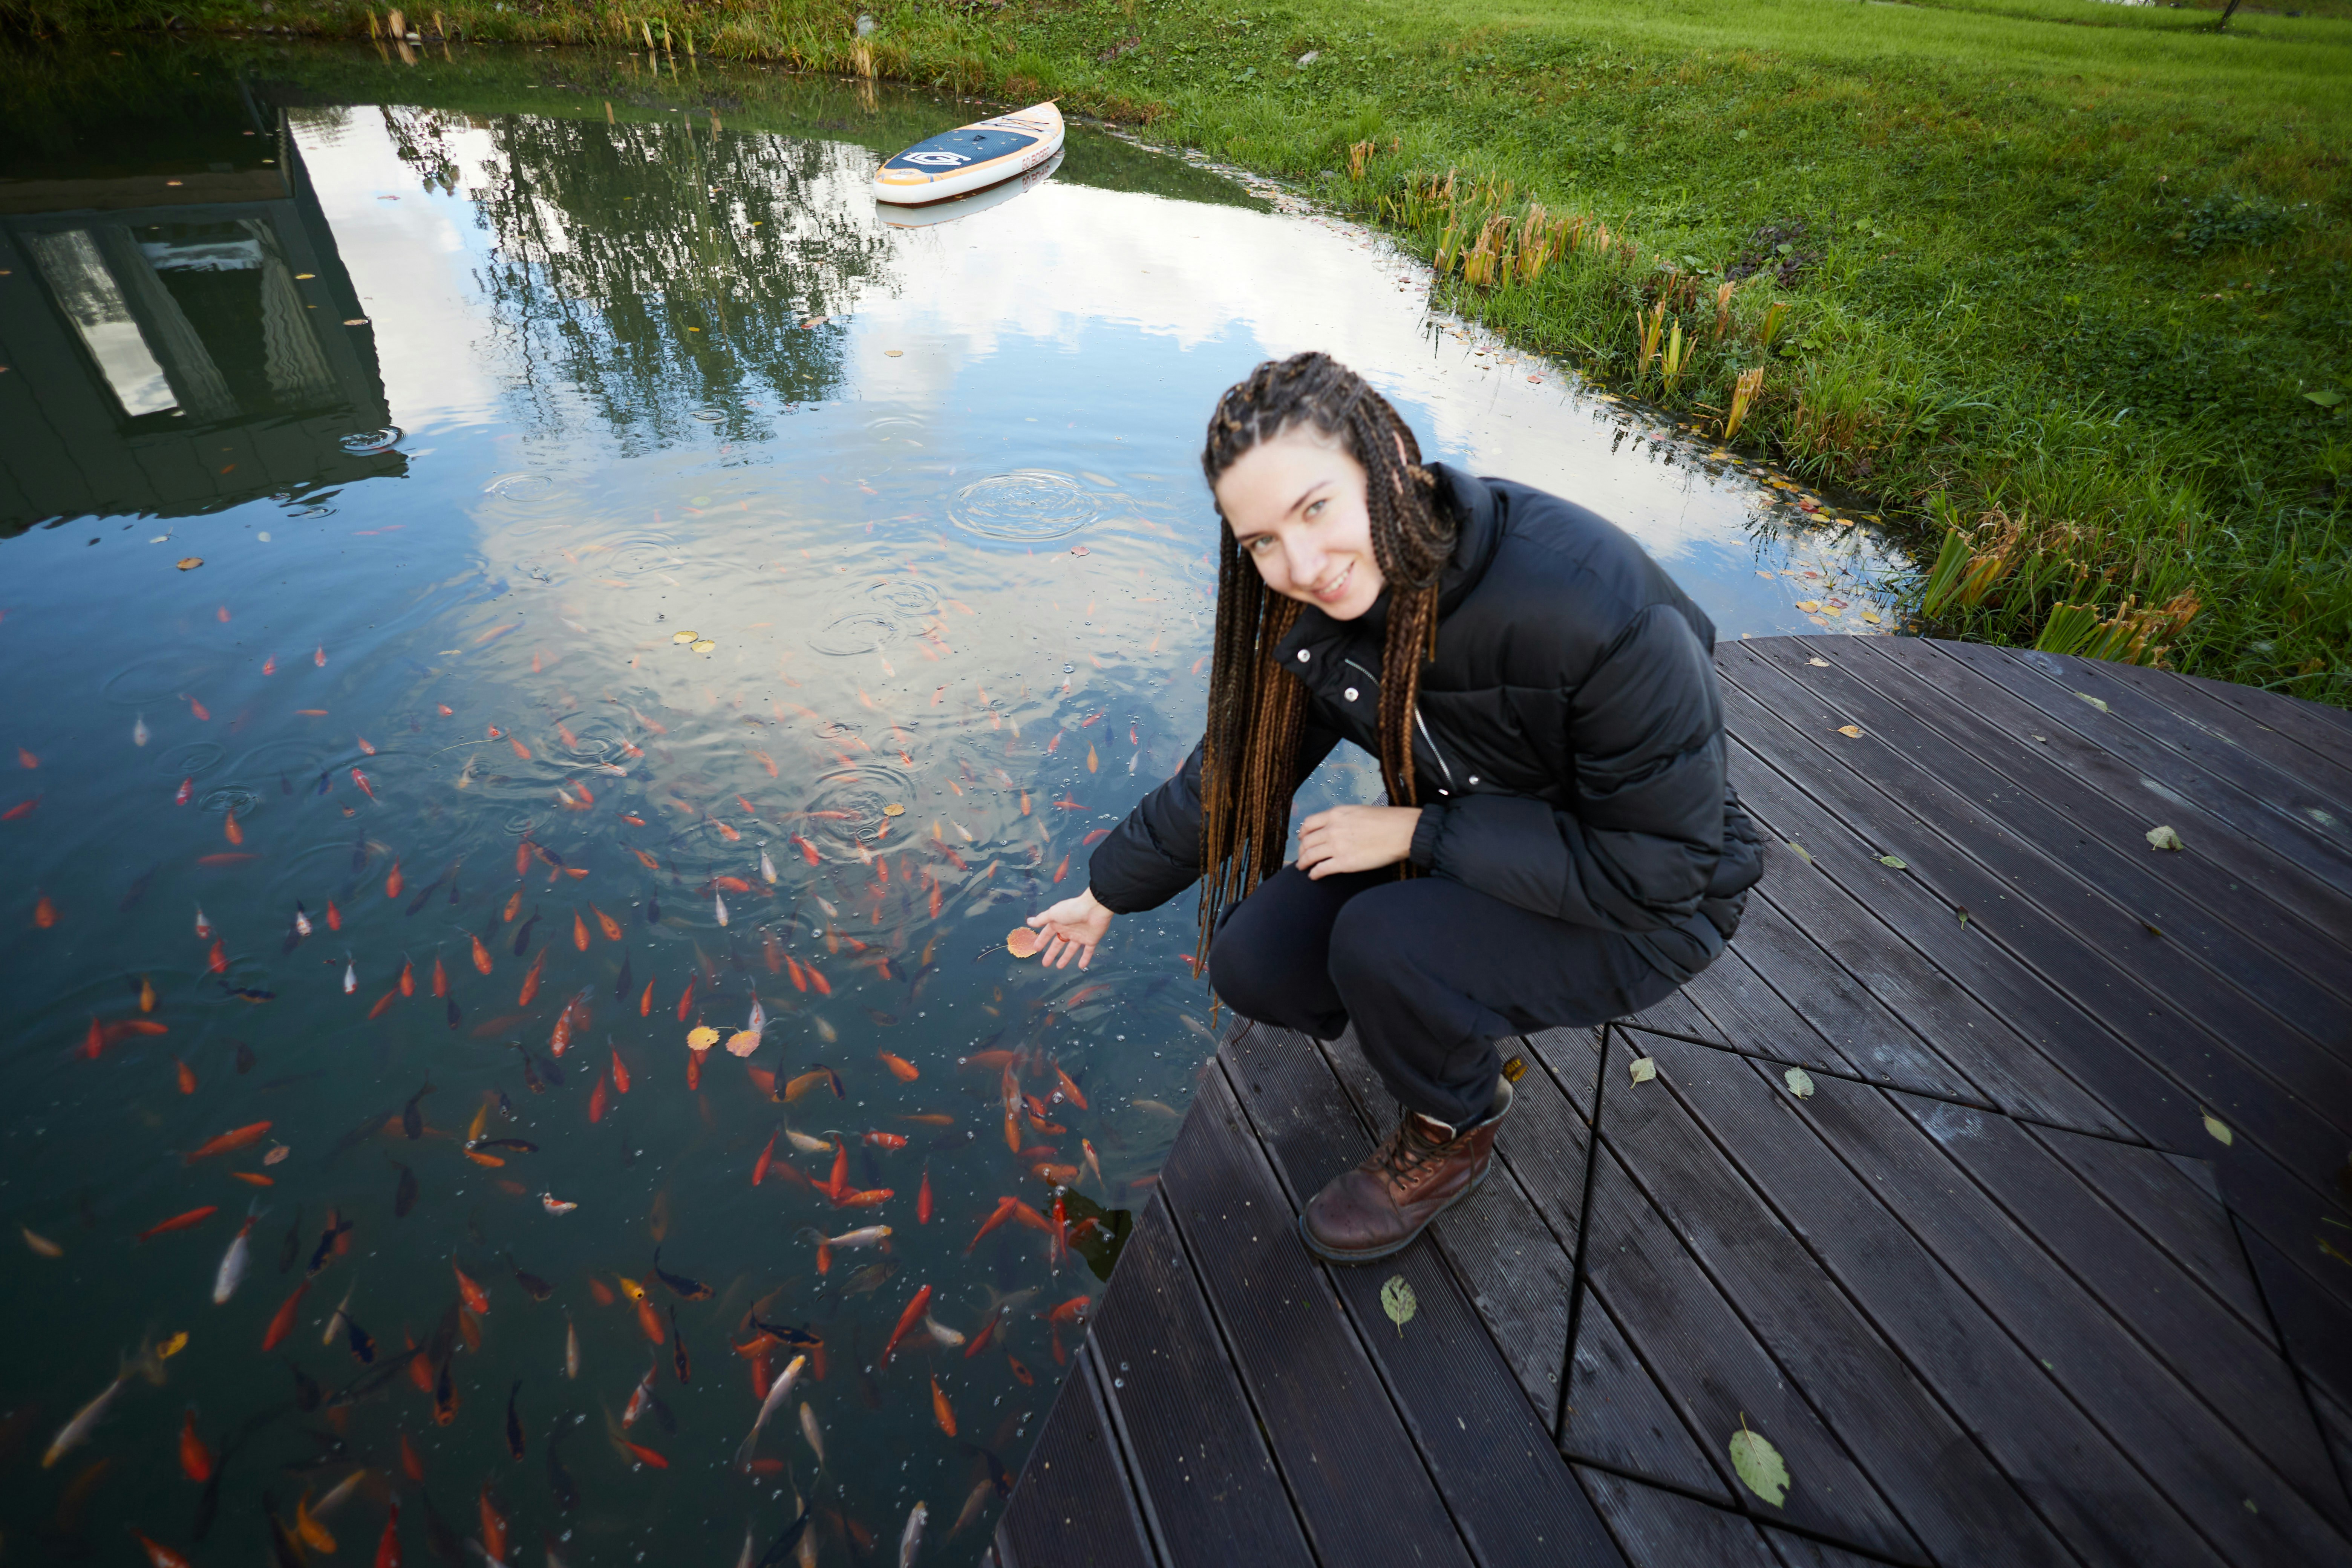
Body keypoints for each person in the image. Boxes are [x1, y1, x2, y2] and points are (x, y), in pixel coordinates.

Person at [1025, 352, 1762, 1264]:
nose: (1299, 564)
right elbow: (1232, 773)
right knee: (1257, 960)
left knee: (1381, 945)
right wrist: (1106, 893)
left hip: (1657, 900)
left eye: (1316, 507)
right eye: (1260, 542)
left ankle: (1454, 1127)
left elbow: (1661, 873)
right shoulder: (1330, 614)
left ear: (1390, 463)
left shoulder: (1589, 606)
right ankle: (1440, 1010)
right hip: (1488, 835)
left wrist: (1420, 830)